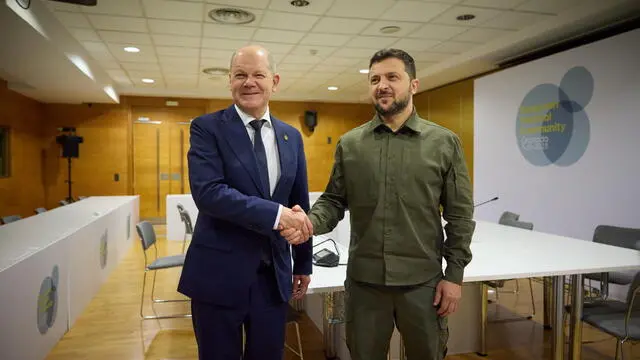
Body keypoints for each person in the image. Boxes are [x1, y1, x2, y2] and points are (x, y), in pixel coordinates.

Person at [282, 48, 475, 360]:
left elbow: (460, 215)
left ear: (413, 85)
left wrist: (453, 276)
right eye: (375, 79)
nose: (382, 85)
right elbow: (333, 200)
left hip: (423, 283)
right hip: (365, 285)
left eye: (392, 77)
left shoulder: (444, 143)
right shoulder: (351, 144)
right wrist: (309, 223)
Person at [178, 45, 314, 360]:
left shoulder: (291, 136)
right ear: (230, 81)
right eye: (240, 75)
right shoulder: (207, 128)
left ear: (275, 82)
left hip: (272, 278)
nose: (248, 82)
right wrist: (276, 215)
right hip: (218, 277)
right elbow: (209, 193)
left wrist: (303, 262)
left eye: (258, 75)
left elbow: (298, 203)